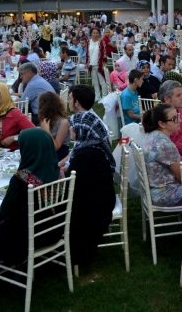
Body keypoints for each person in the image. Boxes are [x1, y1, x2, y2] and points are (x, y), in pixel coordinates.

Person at [0, 128, 61, 265]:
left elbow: (5, 210)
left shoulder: (22, 178)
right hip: (53, 229)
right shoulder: (56, 171)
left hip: (25, 239)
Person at [65, 85, 115, 269]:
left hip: (88, 204)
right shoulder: (91, 130)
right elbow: (76, 150)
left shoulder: (86, 154)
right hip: (103, 191)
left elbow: (73, 169)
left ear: (76, 102)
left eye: (70, 98)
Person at [142, 104, 182, 207]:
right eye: (174, 119)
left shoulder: (152, 136)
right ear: (162, 124)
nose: (179, 120)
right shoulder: (165, 145)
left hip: (152, 190)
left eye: (178, 116)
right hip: (165, 194)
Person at [0, 83, 35, 150]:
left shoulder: (14, 113)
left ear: (4, 95)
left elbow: (33, 132)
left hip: (12, 154)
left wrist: (13, 138)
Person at [159, 80, 182, 159]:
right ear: (167, 99)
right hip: (173, 159)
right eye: (178, 95)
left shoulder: (179, 111)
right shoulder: (162, 119)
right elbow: (168, 153)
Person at [38, 91, 70, 162]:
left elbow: (56, 147)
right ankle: (18, 173)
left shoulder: (63, 122)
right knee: (27, 160)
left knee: (31, 164)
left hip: (57, 156)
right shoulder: (46, 119)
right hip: (45, 153)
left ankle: (21, 173)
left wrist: (47, 130)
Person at [86, 27, 108, 98]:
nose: (95, 34)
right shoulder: (89, 42)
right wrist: (87, 63)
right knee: (95, 81)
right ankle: (97, 96)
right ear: (91, 34)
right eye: (94, 33)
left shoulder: (102, 42)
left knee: (102, 81)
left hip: (99, 64)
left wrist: (104, 63)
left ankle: (104, 95)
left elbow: (104, 53)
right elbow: (87, 53)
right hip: (91, 64)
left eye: (97, 33)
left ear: (99, 34)